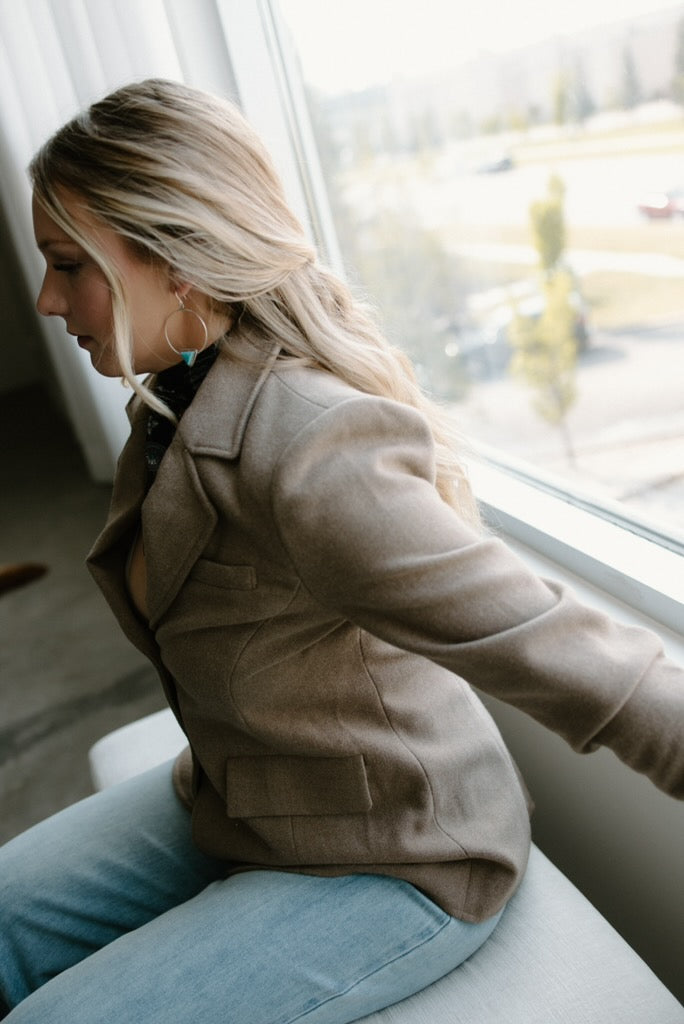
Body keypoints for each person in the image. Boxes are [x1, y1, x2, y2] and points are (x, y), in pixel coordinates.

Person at [0, 78, 682, 1024]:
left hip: (393, 853)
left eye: (68, 263)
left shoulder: (313, 447)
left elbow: (561, 646)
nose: (43, 297)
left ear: (179, 262)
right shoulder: (182, 389)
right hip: (244, 790)